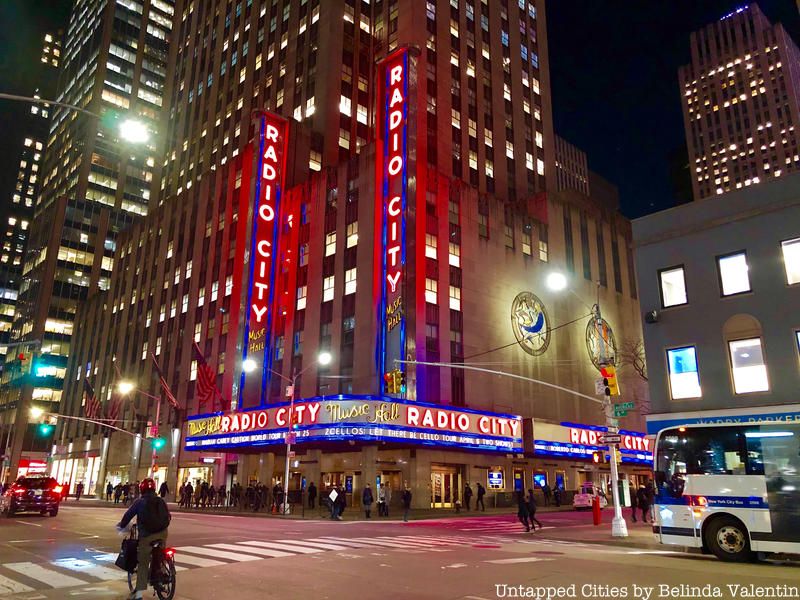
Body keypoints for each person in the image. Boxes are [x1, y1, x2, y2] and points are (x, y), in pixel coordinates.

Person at [116, 478, 171, 600]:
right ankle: (161, 575)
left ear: (142, 489)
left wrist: (121, 525)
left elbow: (128, 516)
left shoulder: (140, 502)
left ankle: (139, 594)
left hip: (147, 535)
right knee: (160, 554)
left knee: (143, 562)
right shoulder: (160, 501)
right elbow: (168, 517)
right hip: (162, 533)